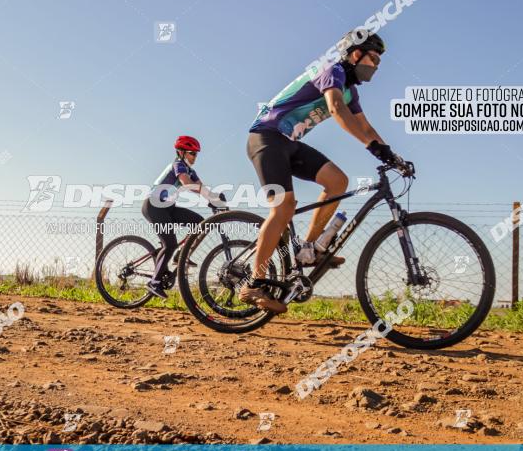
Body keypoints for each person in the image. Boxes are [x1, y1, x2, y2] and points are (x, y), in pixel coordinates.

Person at [240, 30, 403, 313]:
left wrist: (392, 154)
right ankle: (255, 282)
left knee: (337, 181)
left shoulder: (351, 89)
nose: (376, 66)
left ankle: (310, 249)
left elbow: (365, 127)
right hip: (266, 137)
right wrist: (372, 147)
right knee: (283, 208)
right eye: (373, 58)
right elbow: (337, 109)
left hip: (288, 143)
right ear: (355, 54)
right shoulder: (333, 70)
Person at [142, 136, 225, 299]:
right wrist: (210, 197)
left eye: (196, 154)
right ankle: (154, 282)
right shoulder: (177, 164)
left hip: (168, 207)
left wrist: (214, 199)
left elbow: (201, 186)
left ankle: (182, 254)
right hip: (154, 205)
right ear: (181, 152)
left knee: (201, 224)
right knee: (170, 244)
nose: (194, 157)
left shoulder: (190, 170)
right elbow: (187, 183)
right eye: (191, 153)